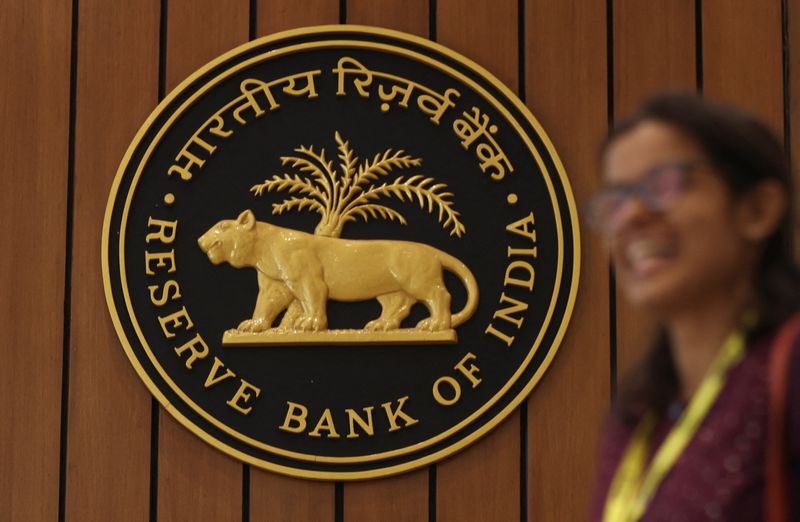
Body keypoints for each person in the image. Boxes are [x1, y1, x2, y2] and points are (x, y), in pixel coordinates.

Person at [586, 92, 800, 521]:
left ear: (757, 210)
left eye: (664, 184)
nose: (631, 217)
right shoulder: (639, 413)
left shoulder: (790, 366)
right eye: (617, 198)